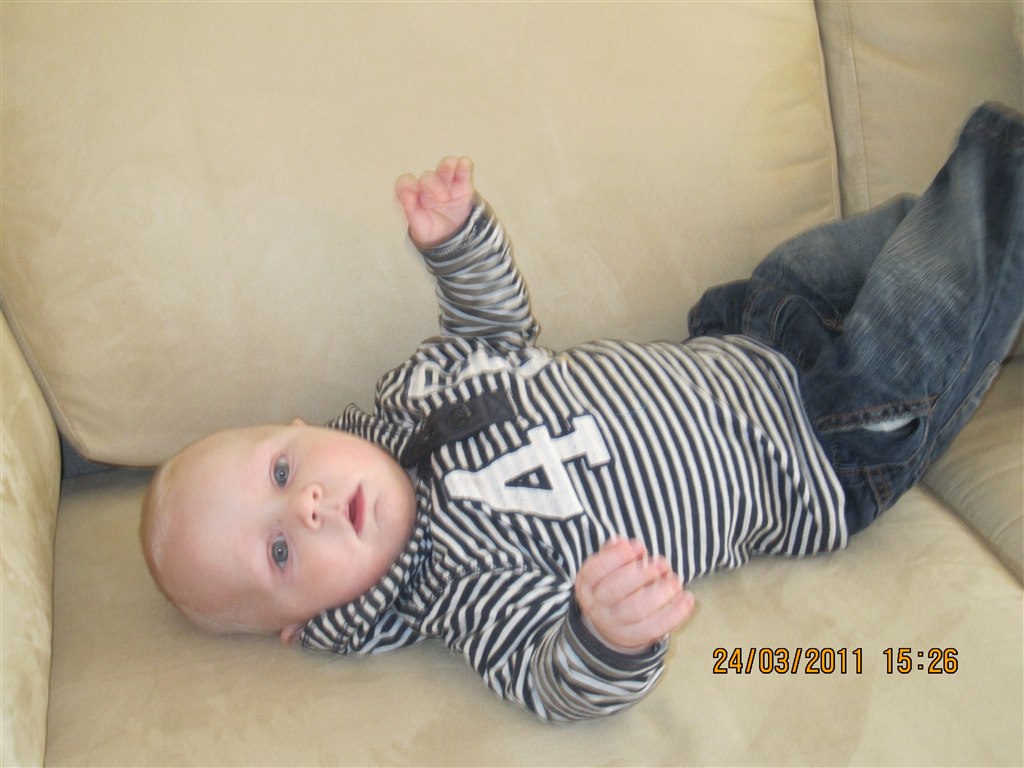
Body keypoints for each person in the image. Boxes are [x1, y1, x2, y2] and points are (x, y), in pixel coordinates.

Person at [141, 103, 1023, 722]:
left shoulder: (413, 393)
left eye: (282, 472)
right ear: (302, 625)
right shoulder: (458, 587)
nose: (306, 505)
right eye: (280, 552)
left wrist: (456, 246)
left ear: (302, 430)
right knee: (947, 273)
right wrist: (604, 635)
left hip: (749, 333)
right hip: (824, 445)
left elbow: (494, 331)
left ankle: (976, 206)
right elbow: (551, 680)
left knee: (872, 241)